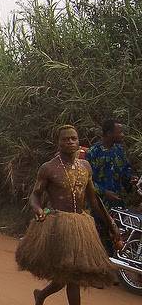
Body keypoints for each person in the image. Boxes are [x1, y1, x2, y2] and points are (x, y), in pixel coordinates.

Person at [15, 125, 122, 305]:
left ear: (79, 142)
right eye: (66, 139)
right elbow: (35, 194)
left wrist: (111, 224)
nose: (70, 142)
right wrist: (38, 209)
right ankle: (42, 296)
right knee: (72, 277)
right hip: (59, 224)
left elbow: (94, 200)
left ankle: (41, 295)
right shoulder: (48, 168)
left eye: (74, 138)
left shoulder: (85, 166)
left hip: (81, 226)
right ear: (59, 143)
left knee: (67, 274)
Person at [85, 119, 138, 254]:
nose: (122, 135)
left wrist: (131, 179)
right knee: (100, 237)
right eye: (119, 132)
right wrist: (104, 192)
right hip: (99, 204)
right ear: (109, 133)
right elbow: (87, 180)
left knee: (118, 236)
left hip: (117, 202)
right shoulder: (93, 152)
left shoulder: (119, 150)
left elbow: (125, 171)